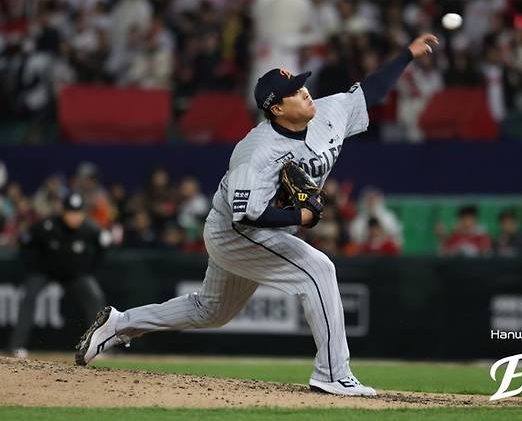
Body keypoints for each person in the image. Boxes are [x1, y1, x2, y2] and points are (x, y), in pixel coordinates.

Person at [75, 33, 440, 396]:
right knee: (319, 271)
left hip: (254, 230)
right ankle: (332, 373)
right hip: (235, 232)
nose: (305, 92)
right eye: (294, 92)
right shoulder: (257, 152)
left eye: (301, 85)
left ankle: (118, 324)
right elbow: (245, 216)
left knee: (210, 311)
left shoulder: (329, 113)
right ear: (276, 109)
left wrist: (407, 54)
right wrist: (303, 218)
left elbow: (369, 92)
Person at [6, 192, 111, 358]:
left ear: (83, 213)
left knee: (95, 295)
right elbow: (25, 241)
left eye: (77, 212)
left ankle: (100, 347)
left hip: (74, 274)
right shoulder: (47, 225)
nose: (74, 217)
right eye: (70, 212)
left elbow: (103, 249)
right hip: (45, 272)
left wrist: (88, 269)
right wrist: (33, 267)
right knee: (29, 297)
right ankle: (17, 346)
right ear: (63, 212)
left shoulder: (90, 229)